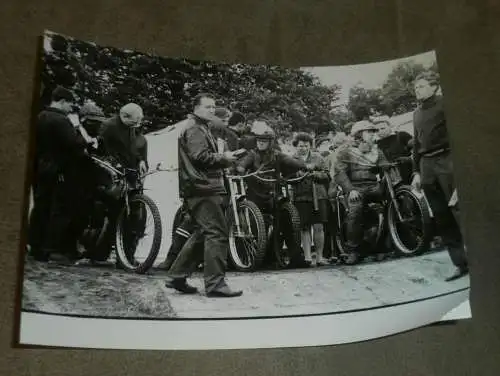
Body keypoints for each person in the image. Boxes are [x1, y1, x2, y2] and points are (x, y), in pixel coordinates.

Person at [165, 93, 243, 297]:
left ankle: (177, 276)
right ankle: (215, 284)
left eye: (213, 107)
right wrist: (225, 157)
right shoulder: (194, 129)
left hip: (200, 187)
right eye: (207, 107)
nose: (212, 110)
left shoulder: (199, 127)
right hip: (203, 187)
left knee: (203, 232)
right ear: (196, 108)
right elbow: (200, 157)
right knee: (216, 233)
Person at [410, 71, 468, 281]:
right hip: (427, 167)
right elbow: (416, 145)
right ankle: (460, 263)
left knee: (460, 209)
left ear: (434, 87)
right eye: (416, 87)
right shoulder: (416, 114)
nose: (418, 90)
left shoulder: (445, 104)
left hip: (447, 159)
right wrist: (416, 171)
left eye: (423, 86)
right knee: (442, 216)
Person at [235, 121, 316, 268]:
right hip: (256, 197)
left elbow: (291, 161)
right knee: (261, 226)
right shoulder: (252, 155)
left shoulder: (277, 155)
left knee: (289, 222)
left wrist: (306, 166)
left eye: (264, 141)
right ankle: (265, 258)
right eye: (259, 140)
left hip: (274, 196)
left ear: (270, 142)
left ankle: (295, 257)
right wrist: (240, 169)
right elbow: (242, 164)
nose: (260, 143)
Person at [28, 86, 91, 263]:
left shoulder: (40, 116)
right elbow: (76, 144)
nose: (71, 108)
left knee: (40, 207)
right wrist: (77, 127)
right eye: (70, 104)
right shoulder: (62, 121)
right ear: (62, 101)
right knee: (58, 210)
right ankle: (51, 249)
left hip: (39, 168)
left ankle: (35, 246)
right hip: (59, 171)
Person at [334, 120, 389, 264]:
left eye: (373, 132)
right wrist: (350, 190)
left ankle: (382, 247)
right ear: (359, 134)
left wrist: (388, 168)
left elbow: (385, 167)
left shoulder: (377, 150)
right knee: (355, 210)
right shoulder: (345, 150)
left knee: (390, 206)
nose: (372, 135)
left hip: (374, 185)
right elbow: (339, 172)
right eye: (369, 132)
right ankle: (353, 250)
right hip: (355, 187)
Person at [291, 132, 331, 266]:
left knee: (319, 226)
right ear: (296, 146)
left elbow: (327, 175)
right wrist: (298, 174)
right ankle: (308, 257)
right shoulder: (292, 160)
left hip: (318, 195)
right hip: (301, 196)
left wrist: (314, 174)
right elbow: (289, 177)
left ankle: (319, 257)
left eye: (306, 145)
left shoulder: (318, 157)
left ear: (310, 146)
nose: (303, 148)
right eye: (300, 146)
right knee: (304, 227)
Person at [99, 103, 149, 174]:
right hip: (112, 166)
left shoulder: (129, 126)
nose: (135, 125)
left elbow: (133, 145)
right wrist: (108, 161)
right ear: (124, 117)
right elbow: (99, 147)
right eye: (134, 122)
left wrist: (141, 160)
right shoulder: (108, 126)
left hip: (129, 166)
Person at [374, 119, 413, 185]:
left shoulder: (401, 135)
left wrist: (408, 159)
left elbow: (417, 150)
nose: (380, 131)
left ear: (390, 127)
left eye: (383, 128)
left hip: (409, 173)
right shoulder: (376, 145)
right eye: (377, 130)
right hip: (391, 181)